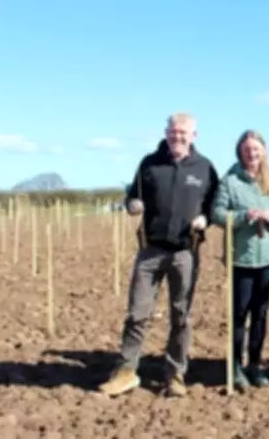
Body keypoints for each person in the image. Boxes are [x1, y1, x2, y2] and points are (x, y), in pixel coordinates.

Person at [98, 112, 219, 397]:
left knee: (181, 316)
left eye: (183, 132)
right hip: (150, 252)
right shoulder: (149, 163)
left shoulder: (205, 168)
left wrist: (205, 219)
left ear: (194, 135)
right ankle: (126, 371)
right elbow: (132, 197)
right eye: (173, 131)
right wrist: (133, 205)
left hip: (185, 254)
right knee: (137, 314)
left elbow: (214, 205)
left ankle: (175, 374)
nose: (177, 136)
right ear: (166, 133)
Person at [211, 130, 269, 389]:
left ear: (263, 151)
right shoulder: (230, 181)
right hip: (241, 258)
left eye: (256, 149)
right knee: (239, 313)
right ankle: (235, 366)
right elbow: (217, 214)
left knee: (260, 313)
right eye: (247, 149)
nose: (252, 153)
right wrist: (243, 216)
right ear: (240, 152)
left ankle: (254, 365)